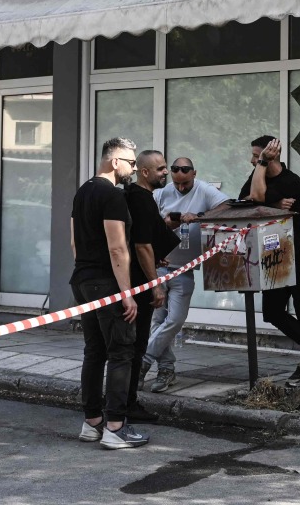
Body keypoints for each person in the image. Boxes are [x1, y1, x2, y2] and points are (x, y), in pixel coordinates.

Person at [70, 137, 149, 449]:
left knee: (94, 351)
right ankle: (115, 427)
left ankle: (92, 423)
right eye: (130, 162)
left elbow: (75, 242)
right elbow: (118, 246)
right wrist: (126, 293)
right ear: (114, 162)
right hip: (107, 283)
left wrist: (85, 274)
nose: (133, 167)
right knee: (121, 352)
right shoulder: (112, 195)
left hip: (83, 280)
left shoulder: (83, 191)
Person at [239, 136, 300, 388]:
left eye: (257, 156)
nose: (253, 160)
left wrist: (263, 200)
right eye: (254, 157)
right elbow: (246, 202)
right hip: (274, 254)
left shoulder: (291, 180)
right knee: (271, 312)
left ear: (270, 156)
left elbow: (256, 198)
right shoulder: (255, 176)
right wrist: (271, 204)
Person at [142, 156, 228, 393]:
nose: (180, 188)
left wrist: (199, 216)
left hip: (184, 269)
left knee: (176, 319)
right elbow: (149, 224)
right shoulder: (162, 193)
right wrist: (169, 222)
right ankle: (166, 370)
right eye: (177, 183)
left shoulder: (204, 190)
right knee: (157, 321)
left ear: (194, 174)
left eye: (185, 184)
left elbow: (226, 207)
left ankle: (144, 360)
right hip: (159, 266)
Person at [123, 150, 176, 422]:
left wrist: (156, 252)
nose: (165, 172)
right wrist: (154, 284)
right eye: (160, 168)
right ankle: (126, 403)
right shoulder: (141, 200)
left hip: (136, 279)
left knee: (134, 343)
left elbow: (147, 241)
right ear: (144, 172)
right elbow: (141, 244)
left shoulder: (140, 197)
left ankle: (123, 400)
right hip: (138, 284)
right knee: (135, 344)